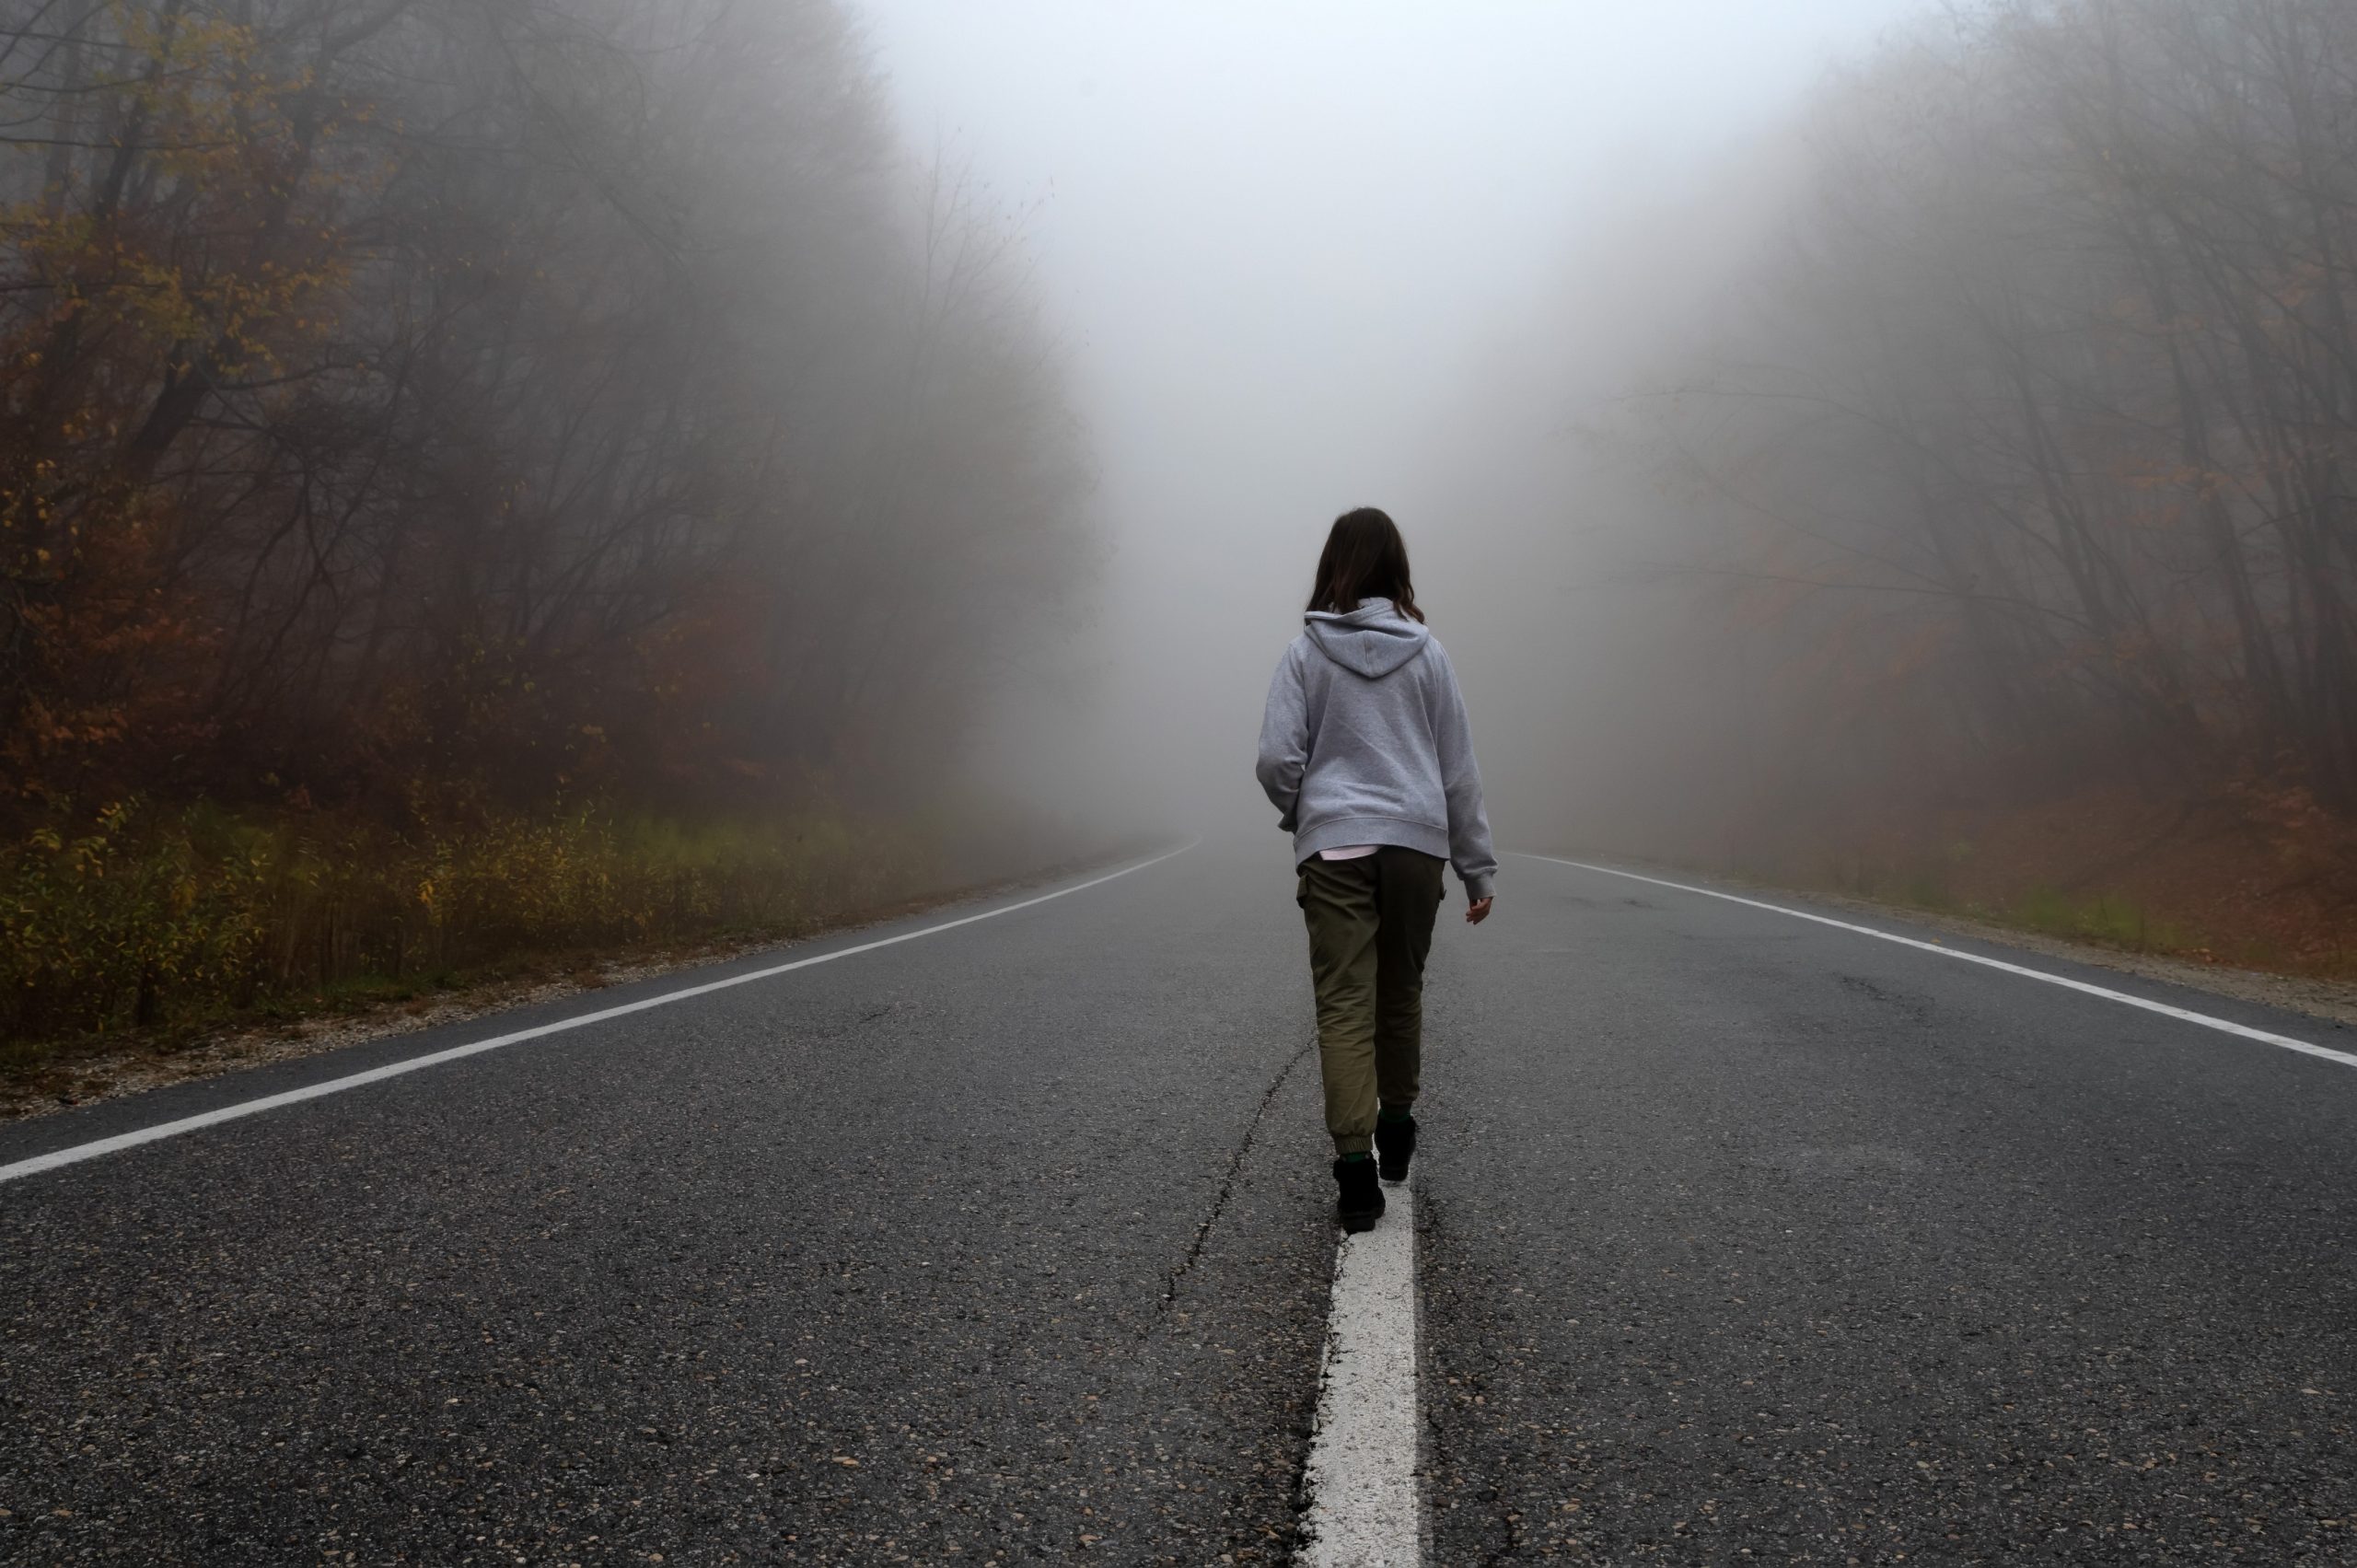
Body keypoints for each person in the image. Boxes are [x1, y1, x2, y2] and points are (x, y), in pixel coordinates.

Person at [1255, 507, 1496, 1233]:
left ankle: (1357, 1176)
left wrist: (1311, 811)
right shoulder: (1429, 654)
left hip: (1336, 846)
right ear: (1397, 570)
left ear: (1334, 566)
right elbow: (1458, 771)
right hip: (1418, 843)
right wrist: (1476, 868)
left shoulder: (1305, 654)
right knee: (1401, 989)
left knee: (1344, 1004)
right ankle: (1397, 1126)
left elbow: (1275, 759)